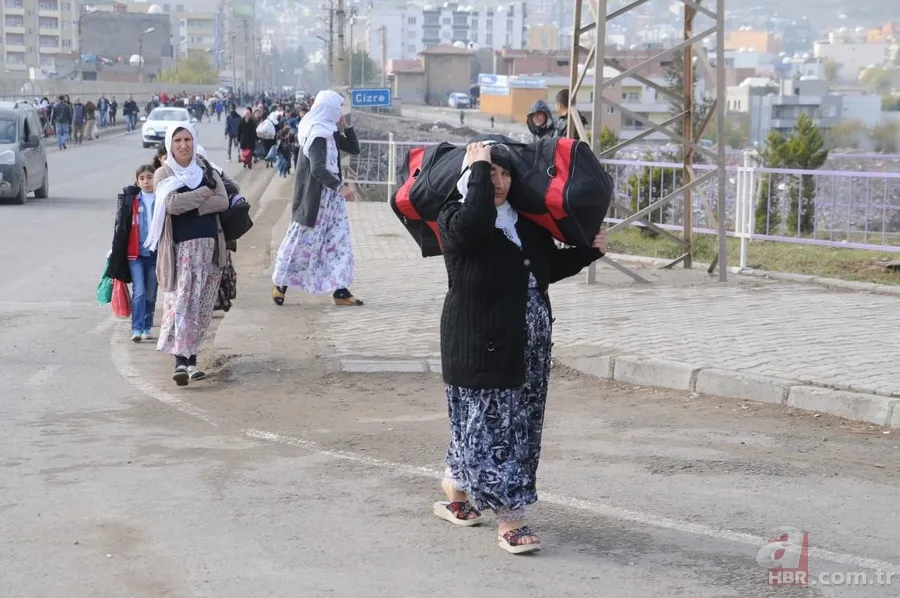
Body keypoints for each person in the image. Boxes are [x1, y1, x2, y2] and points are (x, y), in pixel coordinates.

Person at [432, 141, 608, 555]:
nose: (497, 182)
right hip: (480, 345)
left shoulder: (523, 223)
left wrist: (587, 252)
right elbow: (475, 225)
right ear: (469, 177)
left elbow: (546, 268)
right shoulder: (456, 216)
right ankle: (511, 518)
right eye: (487, 173)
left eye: (504, 174)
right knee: (494, 431)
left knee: (510, 428)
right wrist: (474, 170)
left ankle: (455, 489)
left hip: (527, 348)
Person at [145, 124, 229, 386]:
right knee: (181, 304)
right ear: (170, 144)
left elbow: (223, 201)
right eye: (178, 140)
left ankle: (192, 360)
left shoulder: (204, 168)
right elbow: (172, 205)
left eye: (188, 139)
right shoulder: (163, 173)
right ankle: (179, 361)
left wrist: (194, 204)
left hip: (209, 250)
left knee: (201, 307)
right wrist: (205, 192)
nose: (184, 145)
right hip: (180, 251)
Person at [270, 90, 362, 307]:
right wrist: (341, 188)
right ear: (327, 108)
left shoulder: (330, 131)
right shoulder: (316, 134)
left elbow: (354, 149)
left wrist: (346, 125)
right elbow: (318, 169)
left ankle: (341, 291)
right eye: (337, 107)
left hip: (333, 201)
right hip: (316, 200)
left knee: (338, 244)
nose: (339, 112)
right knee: (302, 244)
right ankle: (280, 283)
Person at [106, 164, 159, 342]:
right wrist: (116, 249)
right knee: (140, 292)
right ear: (137, 181)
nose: (146, 182)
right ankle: (136, 329)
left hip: (155, 254)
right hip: (135, 255)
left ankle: (146, 326)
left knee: (151, 293)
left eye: (149, 177)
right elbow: (121, 228)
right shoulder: (133, 201)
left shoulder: (162, 199)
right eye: (142, 178)